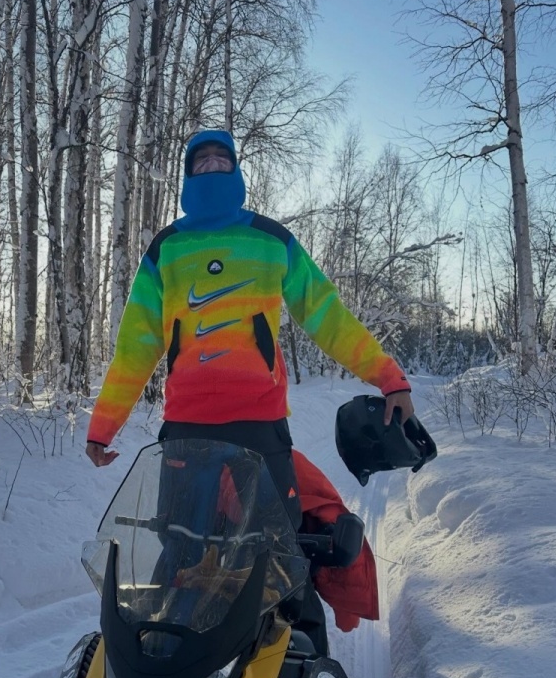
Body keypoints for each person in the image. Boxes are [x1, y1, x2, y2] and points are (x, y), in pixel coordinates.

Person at [86, 128, 414, 530]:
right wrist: (103, 427)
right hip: (187, 426)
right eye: (201, 159)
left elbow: (328, 316)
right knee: (180, 547)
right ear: (188, 173)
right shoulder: (166, 248)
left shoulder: (271, 239)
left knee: (276, 544)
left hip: (260, 423)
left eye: (220, 158)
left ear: (235, 168)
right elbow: (135, 349)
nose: (211, 165)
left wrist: (389, 378)